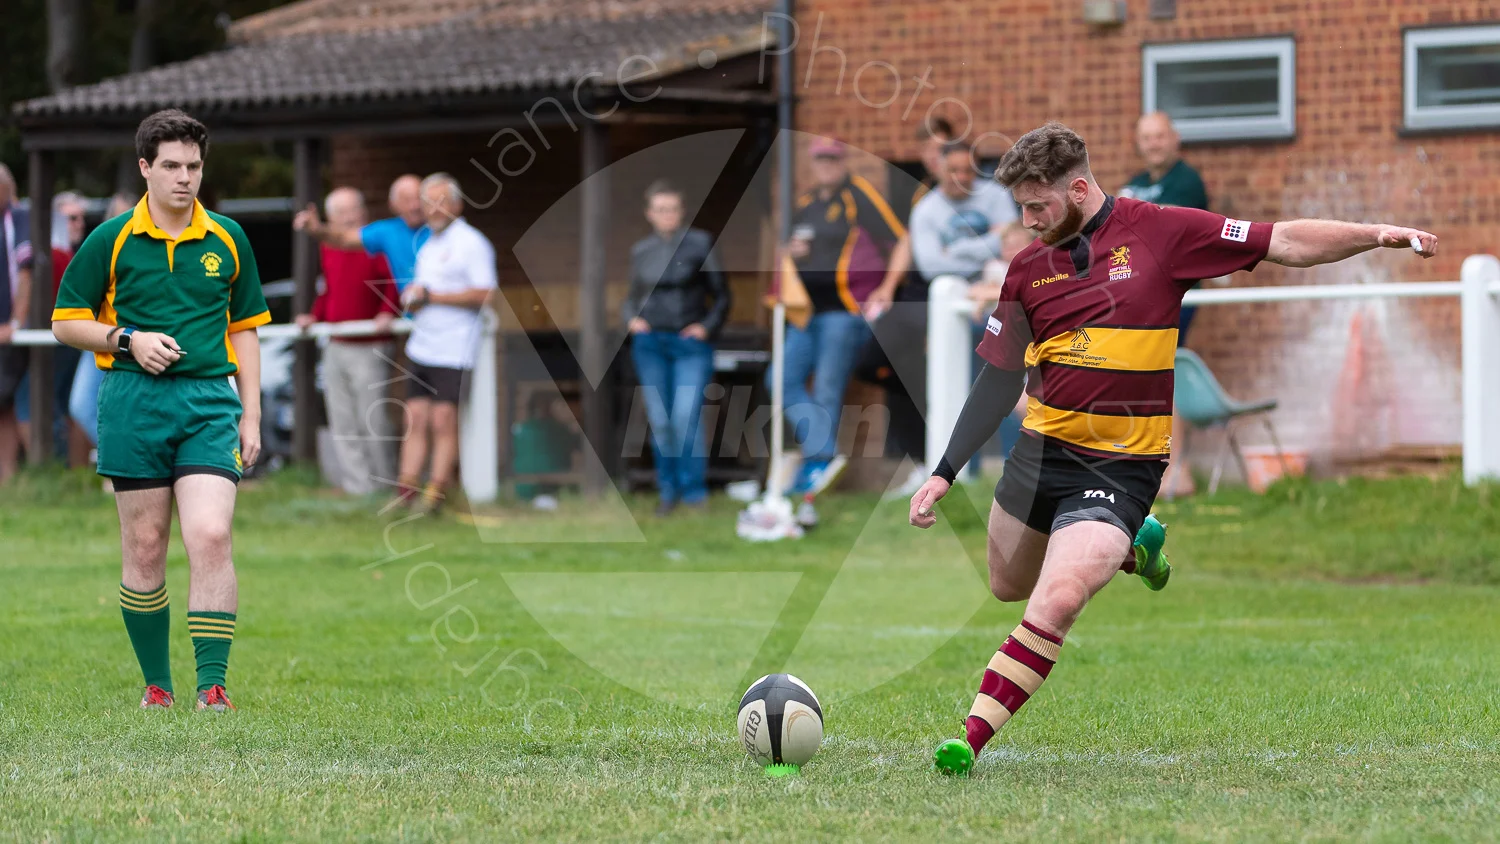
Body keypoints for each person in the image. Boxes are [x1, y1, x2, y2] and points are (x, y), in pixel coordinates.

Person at [909, 122, 1436, 777]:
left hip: (1123, 465)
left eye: (1036, 205)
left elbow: (1283, 240)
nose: (1026, 219)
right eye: (1019, 206)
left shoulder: (1161, 232)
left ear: (1078, 190)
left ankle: (971, 737)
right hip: (1041, 454)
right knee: (1007, 583)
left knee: (1061, 594)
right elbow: (999, 376)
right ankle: (1137, 541)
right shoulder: (1025, 268)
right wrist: (943, 472)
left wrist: (1373, 234)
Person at [52, 109, 271, 713]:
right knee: (145, 547)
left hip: (207, 403)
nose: (184, 178)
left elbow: (247, 329)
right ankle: (157, 686)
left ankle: (213, 687)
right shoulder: (111, 238)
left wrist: (250, 414)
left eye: (193, 167)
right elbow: (65, 322)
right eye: (170, 166)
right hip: (132, 404)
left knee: (211, 532)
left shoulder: (228, 237)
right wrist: (127, 339)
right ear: (146, 168)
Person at [778, 138, 910, 494]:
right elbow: (791, 252)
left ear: (842, 161)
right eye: (820, 159)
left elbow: (902, 239)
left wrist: (888, 287)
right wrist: (793, 251)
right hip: (806, 313)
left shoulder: (858, 194)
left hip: (846, 312)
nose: (826, 165)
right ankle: (821, 452)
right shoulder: (806, 205)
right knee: (779, 380)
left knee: (826, 387)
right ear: (812, 163)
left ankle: (817, 466)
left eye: (832, 159)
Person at [391, 173, 497, 514]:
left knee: (443, 420)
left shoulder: (472, 242)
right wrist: (416, 298)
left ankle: (435, 494)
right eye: (428, 203)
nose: (433, 209)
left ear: (457, 204)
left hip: (455, 345)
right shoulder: (429, 244)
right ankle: (406, 491)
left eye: (440, 201)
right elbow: (423, 289)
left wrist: (433, 297)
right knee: (415, 417)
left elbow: (485, 293)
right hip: (423, 344)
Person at [623, 180, 730, 516]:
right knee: (660, 418)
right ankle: (668, 492)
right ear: (649, 214)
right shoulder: (641, 251)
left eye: (672, 209)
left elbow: (723, 296)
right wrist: (631, 319)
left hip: (689, 344)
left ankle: (693, 493)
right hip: (651, 343)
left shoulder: (700, 243)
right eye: (660, 210)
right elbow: (631, 298)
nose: (667, 215)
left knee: (685, 416)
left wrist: (706, 327)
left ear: (681, 211)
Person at [1120, 112, 1212, 496]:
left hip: (1176, 294)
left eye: (1160, 136)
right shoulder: (1136, 184)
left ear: (1174, 139)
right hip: (1138, 297)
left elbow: (1159, 237)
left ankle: (1177, 471)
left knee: (1163, 372)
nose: (1154, 143)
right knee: (1141, 374)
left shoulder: (1186, 183)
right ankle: (1150, 464)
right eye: (1147, 137)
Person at [295, 187, 399, 495]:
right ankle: (359, 489)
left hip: (371, 344)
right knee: (343, 421)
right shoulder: (329, 247)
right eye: (342, 213)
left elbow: (391, 284)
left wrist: (386, 312)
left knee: (374, 420)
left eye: (354, 210)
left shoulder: (375, 244)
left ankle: (386, 484)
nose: (350, 217)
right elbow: (329, 289)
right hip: (337, 343)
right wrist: (315, 316)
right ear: (331, 219)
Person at [15, 191, 88, 465]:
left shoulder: (65, 255)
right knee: (62, 403)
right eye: (71, 218)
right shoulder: (58, 255)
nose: (79, 223)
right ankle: (62, 467)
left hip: (64, 341)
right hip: (62, 339)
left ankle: (46, 466)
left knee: (34, 400)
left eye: (81, 217)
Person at [69, 193, 135, 455]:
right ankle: (122, 454)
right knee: (82, 405)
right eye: (114, 215)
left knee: (128, 404)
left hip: (134, 338)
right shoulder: (99, 247)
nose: (118, 221)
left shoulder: (150, 252)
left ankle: (129, 458)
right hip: (100, 335)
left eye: (126, 214)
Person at [294, 174, 428, 291]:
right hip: (414, 317)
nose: (414, 206)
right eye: (407, 200)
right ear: (392, 204)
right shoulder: (387, 232)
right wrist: (317, 229)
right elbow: (344, 238)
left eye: (419, 198)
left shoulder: (442, 227)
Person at [909, 141, 1018, 282]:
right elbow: (930, 267)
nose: (961, 177)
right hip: (955, 281)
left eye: (968, 170)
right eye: (953, 170)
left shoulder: (996, 195)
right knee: (942, 286)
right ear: (938, 169)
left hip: (995, 276)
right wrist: (987, 254)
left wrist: (956, 250)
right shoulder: (924, 210)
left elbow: (1014, 244)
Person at [0, 164, 33, 483]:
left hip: (9, 333)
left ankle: (20, 474)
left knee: (9, 399)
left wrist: (15, 322)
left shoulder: (18, 218)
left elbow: (26, 272)